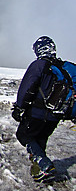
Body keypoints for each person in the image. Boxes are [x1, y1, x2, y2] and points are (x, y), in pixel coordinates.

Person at [12, 36, 62, 183]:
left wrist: (19, 108)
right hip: (55, 115)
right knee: (40, 139)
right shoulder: (63, 67)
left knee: (24, 135)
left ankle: (44, 166)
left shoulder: (39, 65)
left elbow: (27, 87)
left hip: (38, 112)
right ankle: (39, 170)